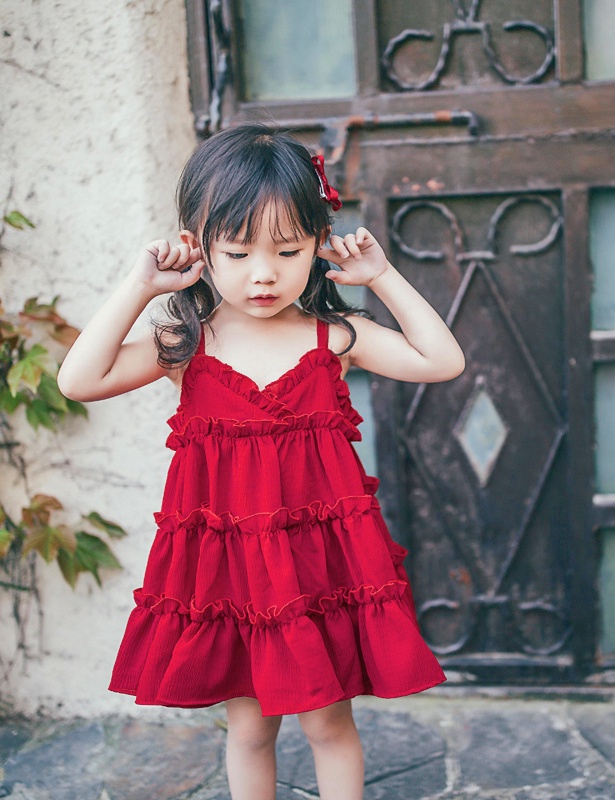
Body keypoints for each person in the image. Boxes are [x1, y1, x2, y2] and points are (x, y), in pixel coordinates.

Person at [57, 124, 464, 800]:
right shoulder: (186, 342)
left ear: (317, 246)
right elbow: (79, 380)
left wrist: (382, 276)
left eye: (288, 249)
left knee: (329, 727)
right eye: (239, 252)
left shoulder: (332, 337)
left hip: (317, 575)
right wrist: (139, 285)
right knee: (250, 731)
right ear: (200, 245)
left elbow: (441, 362)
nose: (265, 273)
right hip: (232, 580)